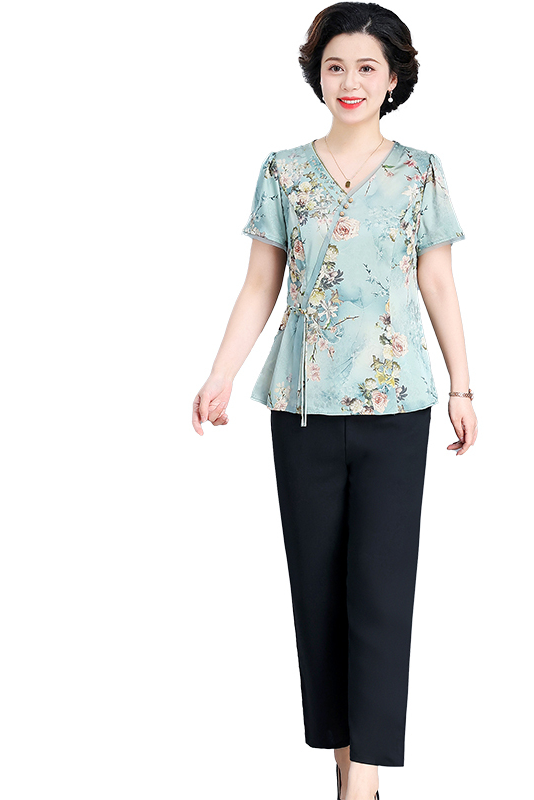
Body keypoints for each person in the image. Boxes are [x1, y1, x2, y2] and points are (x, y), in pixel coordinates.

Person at [191, 3, 477, 798]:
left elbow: (438, 282)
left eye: (366, 67)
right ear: (317, 75)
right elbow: (261, 282)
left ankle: (363, 783)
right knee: (318, 594)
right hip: (302, 406)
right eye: (335, 66)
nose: (349, 81)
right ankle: (350, 769)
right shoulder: (283, 170)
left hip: (398, 407)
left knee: (380, 594)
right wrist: (220, 373)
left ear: (393, 79)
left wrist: (462, 385)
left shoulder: (420, 172)